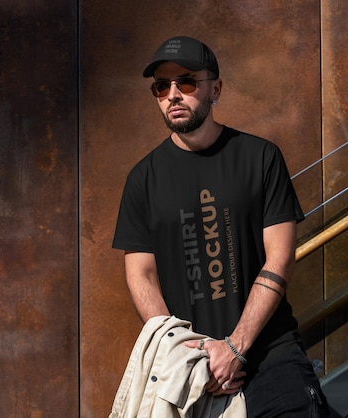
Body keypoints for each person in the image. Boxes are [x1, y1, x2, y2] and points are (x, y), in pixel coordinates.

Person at [112, 35, 330, 417]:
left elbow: (280, 259)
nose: (173, 94)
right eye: (162, 87)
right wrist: (186, 354)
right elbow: (141, 276)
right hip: (190, 358)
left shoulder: (260, 157)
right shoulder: (142, 179)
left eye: (187, 82)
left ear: (216, 89)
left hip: (267, 350)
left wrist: (235, 347)